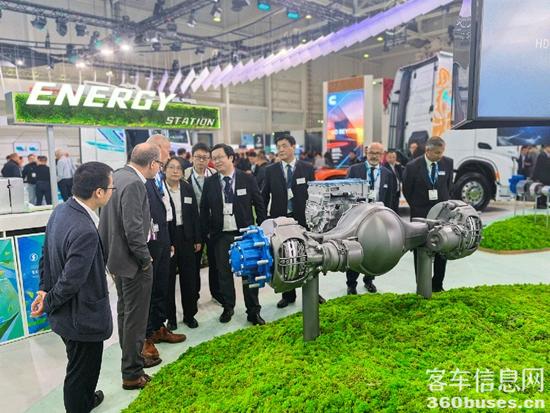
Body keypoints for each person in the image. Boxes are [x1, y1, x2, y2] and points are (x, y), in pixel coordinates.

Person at [31, 162, 114, 413]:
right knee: (80, 373)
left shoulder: (61, 211)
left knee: (80, 367)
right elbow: (70, 281)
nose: (112, 191)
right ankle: (79, 405)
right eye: (111, 187)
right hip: (82, 319)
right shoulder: (84, 229)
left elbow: (45, 255)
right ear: (98, 192)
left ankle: (86, 399)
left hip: (67, 316)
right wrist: (47, 302)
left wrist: (44, 290)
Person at [98, 143, 159, 390]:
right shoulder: (134, 184)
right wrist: (145, 259)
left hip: (116, 259)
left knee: (126, 314)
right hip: (133, 263)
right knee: (136, 318)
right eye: (159, 163)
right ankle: (132, 374)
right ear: (152, 164)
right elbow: (133, 229)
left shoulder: (117, 176)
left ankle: (132, 360)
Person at [200, 144, 267, 325]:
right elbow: (204, 209)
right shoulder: (210, 182)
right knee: (224, 274)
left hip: (245, 234)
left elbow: (259, 204)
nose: (217, 161)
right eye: (214, 158)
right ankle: (228, 307)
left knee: (250, 272)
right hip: (221, 235)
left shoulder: (247, 179)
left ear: (231, 157)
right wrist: (207, 233)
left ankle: (253, 311)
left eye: (220, 157)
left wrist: (262, 228)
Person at [262, 135, 325, 308]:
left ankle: (312, 291)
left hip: (303, 220)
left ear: (293, 147)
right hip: (280, 220)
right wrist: (264, 221)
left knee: (310, 255)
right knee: (284, 256)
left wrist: (316, 218)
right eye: (278, 147)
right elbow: (264, 196)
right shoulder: (270, 170)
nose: (280, 149)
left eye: (284, 145)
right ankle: (288, 294)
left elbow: (314, 195)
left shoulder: (307, 168)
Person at [143, 135, 186, 362]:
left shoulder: (158, 176)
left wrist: (169, 241)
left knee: (162, 285)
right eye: (167, 149)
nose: (170, 154)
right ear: (156, 149)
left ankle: (159, 327)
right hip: (149, 241)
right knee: (148, 291)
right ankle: (146, 336)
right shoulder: (143, 178)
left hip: (163, 238)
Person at [403, 137, 454, 292]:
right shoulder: (412, 166)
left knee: (442, 248)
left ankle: (438, 284)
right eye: (437, 153)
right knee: (420, 249)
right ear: (428, 150)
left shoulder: (448, 163)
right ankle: (422, 284)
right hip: (421, 215)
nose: (440, 156)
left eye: (442, 152)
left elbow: (449, 186)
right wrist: (418, 207)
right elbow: (407, 190)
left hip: (442, 215)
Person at [346, 142, 395, 295]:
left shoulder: (387, 174)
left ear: (382, 155)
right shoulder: (355, 170)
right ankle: (351, 284)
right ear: (366, 153)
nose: (374, 156)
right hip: (357, 218)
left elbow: (391, 197)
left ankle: (369, 280)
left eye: (378, 153)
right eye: (372, 152)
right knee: (355, 250)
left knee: (374, 249)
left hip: (377, 219)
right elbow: (346, 194)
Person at [164, 157, 202, 330]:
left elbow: (195, 215)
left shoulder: (187, 188)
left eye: (178, 168)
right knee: (168, 280)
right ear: (164, 170)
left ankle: (189, 315)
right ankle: (170, 318)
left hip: (186, 237)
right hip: (168, 239)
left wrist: (197, 238)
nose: (175, 171)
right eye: (171, 167)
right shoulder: (160, 189)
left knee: (189, 278)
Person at [184, 143, 220, 304]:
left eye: (205, 158)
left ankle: (217, 294)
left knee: (215, 261)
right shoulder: (184, 176)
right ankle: (194, 296)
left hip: (211, 225)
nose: (201, 161)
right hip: (192, 226)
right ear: (192, 158)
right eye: (198, 157)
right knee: (193, 264)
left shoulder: (214, 174)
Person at [383, 149, 404, 214]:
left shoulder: (396, 167)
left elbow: (401, 177)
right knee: (390, 212)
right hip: (390, 193)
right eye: (390, 157)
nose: (392, 159)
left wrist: (399, 166)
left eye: (394, 157)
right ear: (386, 158)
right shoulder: (385, 167)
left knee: (396, 211)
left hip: (396, 193)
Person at [531, 144, 550, 208]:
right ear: (547, 147)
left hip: (547, 177)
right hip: (542, 177)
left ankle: (544, 203)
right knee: (541, 190)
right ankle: (540, 204)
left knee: (546, 190)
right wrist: (534, 177)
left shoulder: (547, 155)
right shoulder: (542, 155)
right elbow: (538, 166)